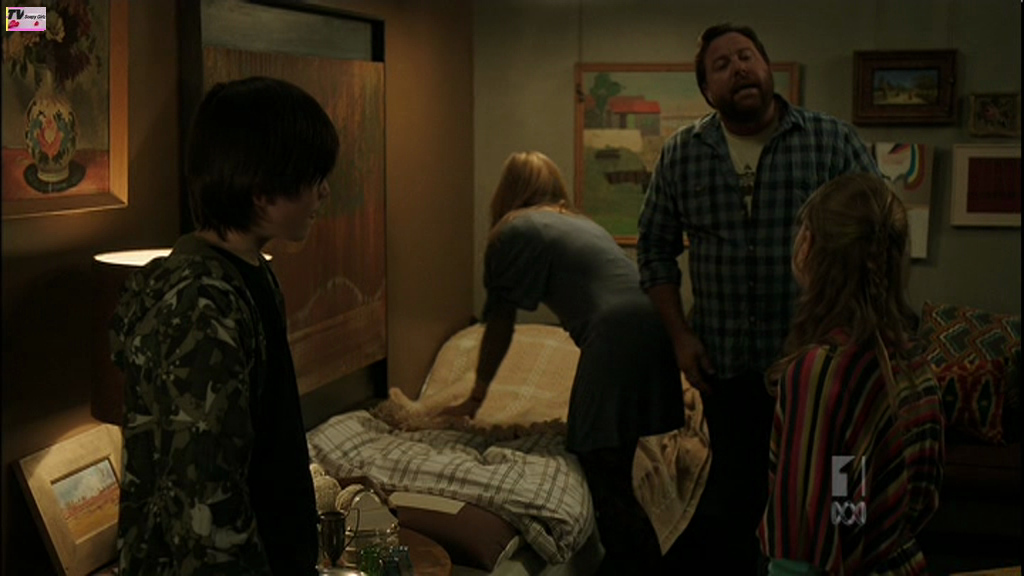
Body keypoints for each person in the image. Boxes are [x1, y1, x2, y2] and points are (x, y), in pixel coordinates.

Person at [638, 23, 882, 573]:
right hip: (726, 370)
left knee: (841, 493)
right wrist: (680, 337)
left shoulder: (830, 140)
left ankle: (850, 566)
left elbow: (878, 235)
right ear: (707, 91)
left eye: (746, 56)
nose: (738, 68)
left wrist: (855, 334)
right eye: (721, 65)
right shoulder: (682, 154)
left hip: (821, 367)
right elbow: (653, 251)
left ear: (768, 67)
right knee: (735, 504)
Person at [109, 76, 339, 575]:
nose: (324, 191)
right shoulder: (198, 303)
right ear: (261, 192)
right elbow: (203, 502)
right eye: (312, 177)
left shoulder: (254, 274)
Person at [441, 151, 687, 574]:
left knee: (598, 461)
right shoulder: (580, 223)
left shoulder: (514, 228)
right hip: (655, 324)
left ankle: (637, 565)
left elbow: (500, 322)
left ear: (507, 191)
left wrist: (475, 396)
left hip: (614, 334)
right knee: (615, 466)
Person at [757, 173, 944, 575]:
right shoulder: (909, 356)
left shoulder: (819, 373)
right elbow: (850, 490)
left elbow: (799, 545)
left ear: (809, 247)